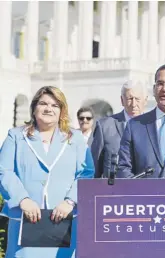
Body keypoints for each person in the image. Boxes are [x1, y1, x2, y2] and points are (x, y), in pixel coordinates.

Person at [0, 86, 94, 258]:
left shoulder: (76, 138)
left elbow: (86, 173)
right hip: (25, 219)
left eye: (55, 105)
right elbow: (3, 171)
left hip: (63, 220)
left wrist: (70, 201)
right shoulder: (15, 136)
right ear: (34, 108)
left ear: (61, 111)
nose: (48, 108)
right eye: (43, 103)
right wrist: (23, 199)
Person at [91, 80, 148, 178]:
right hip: (113, 189)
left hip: (145, 188)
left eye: (137, 99)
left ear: (145, 100)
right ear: (122, 100)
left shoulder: (154, 125)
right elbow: (94, 168)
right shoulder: (105, 126)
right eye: (129, 99)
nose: (133, 104)